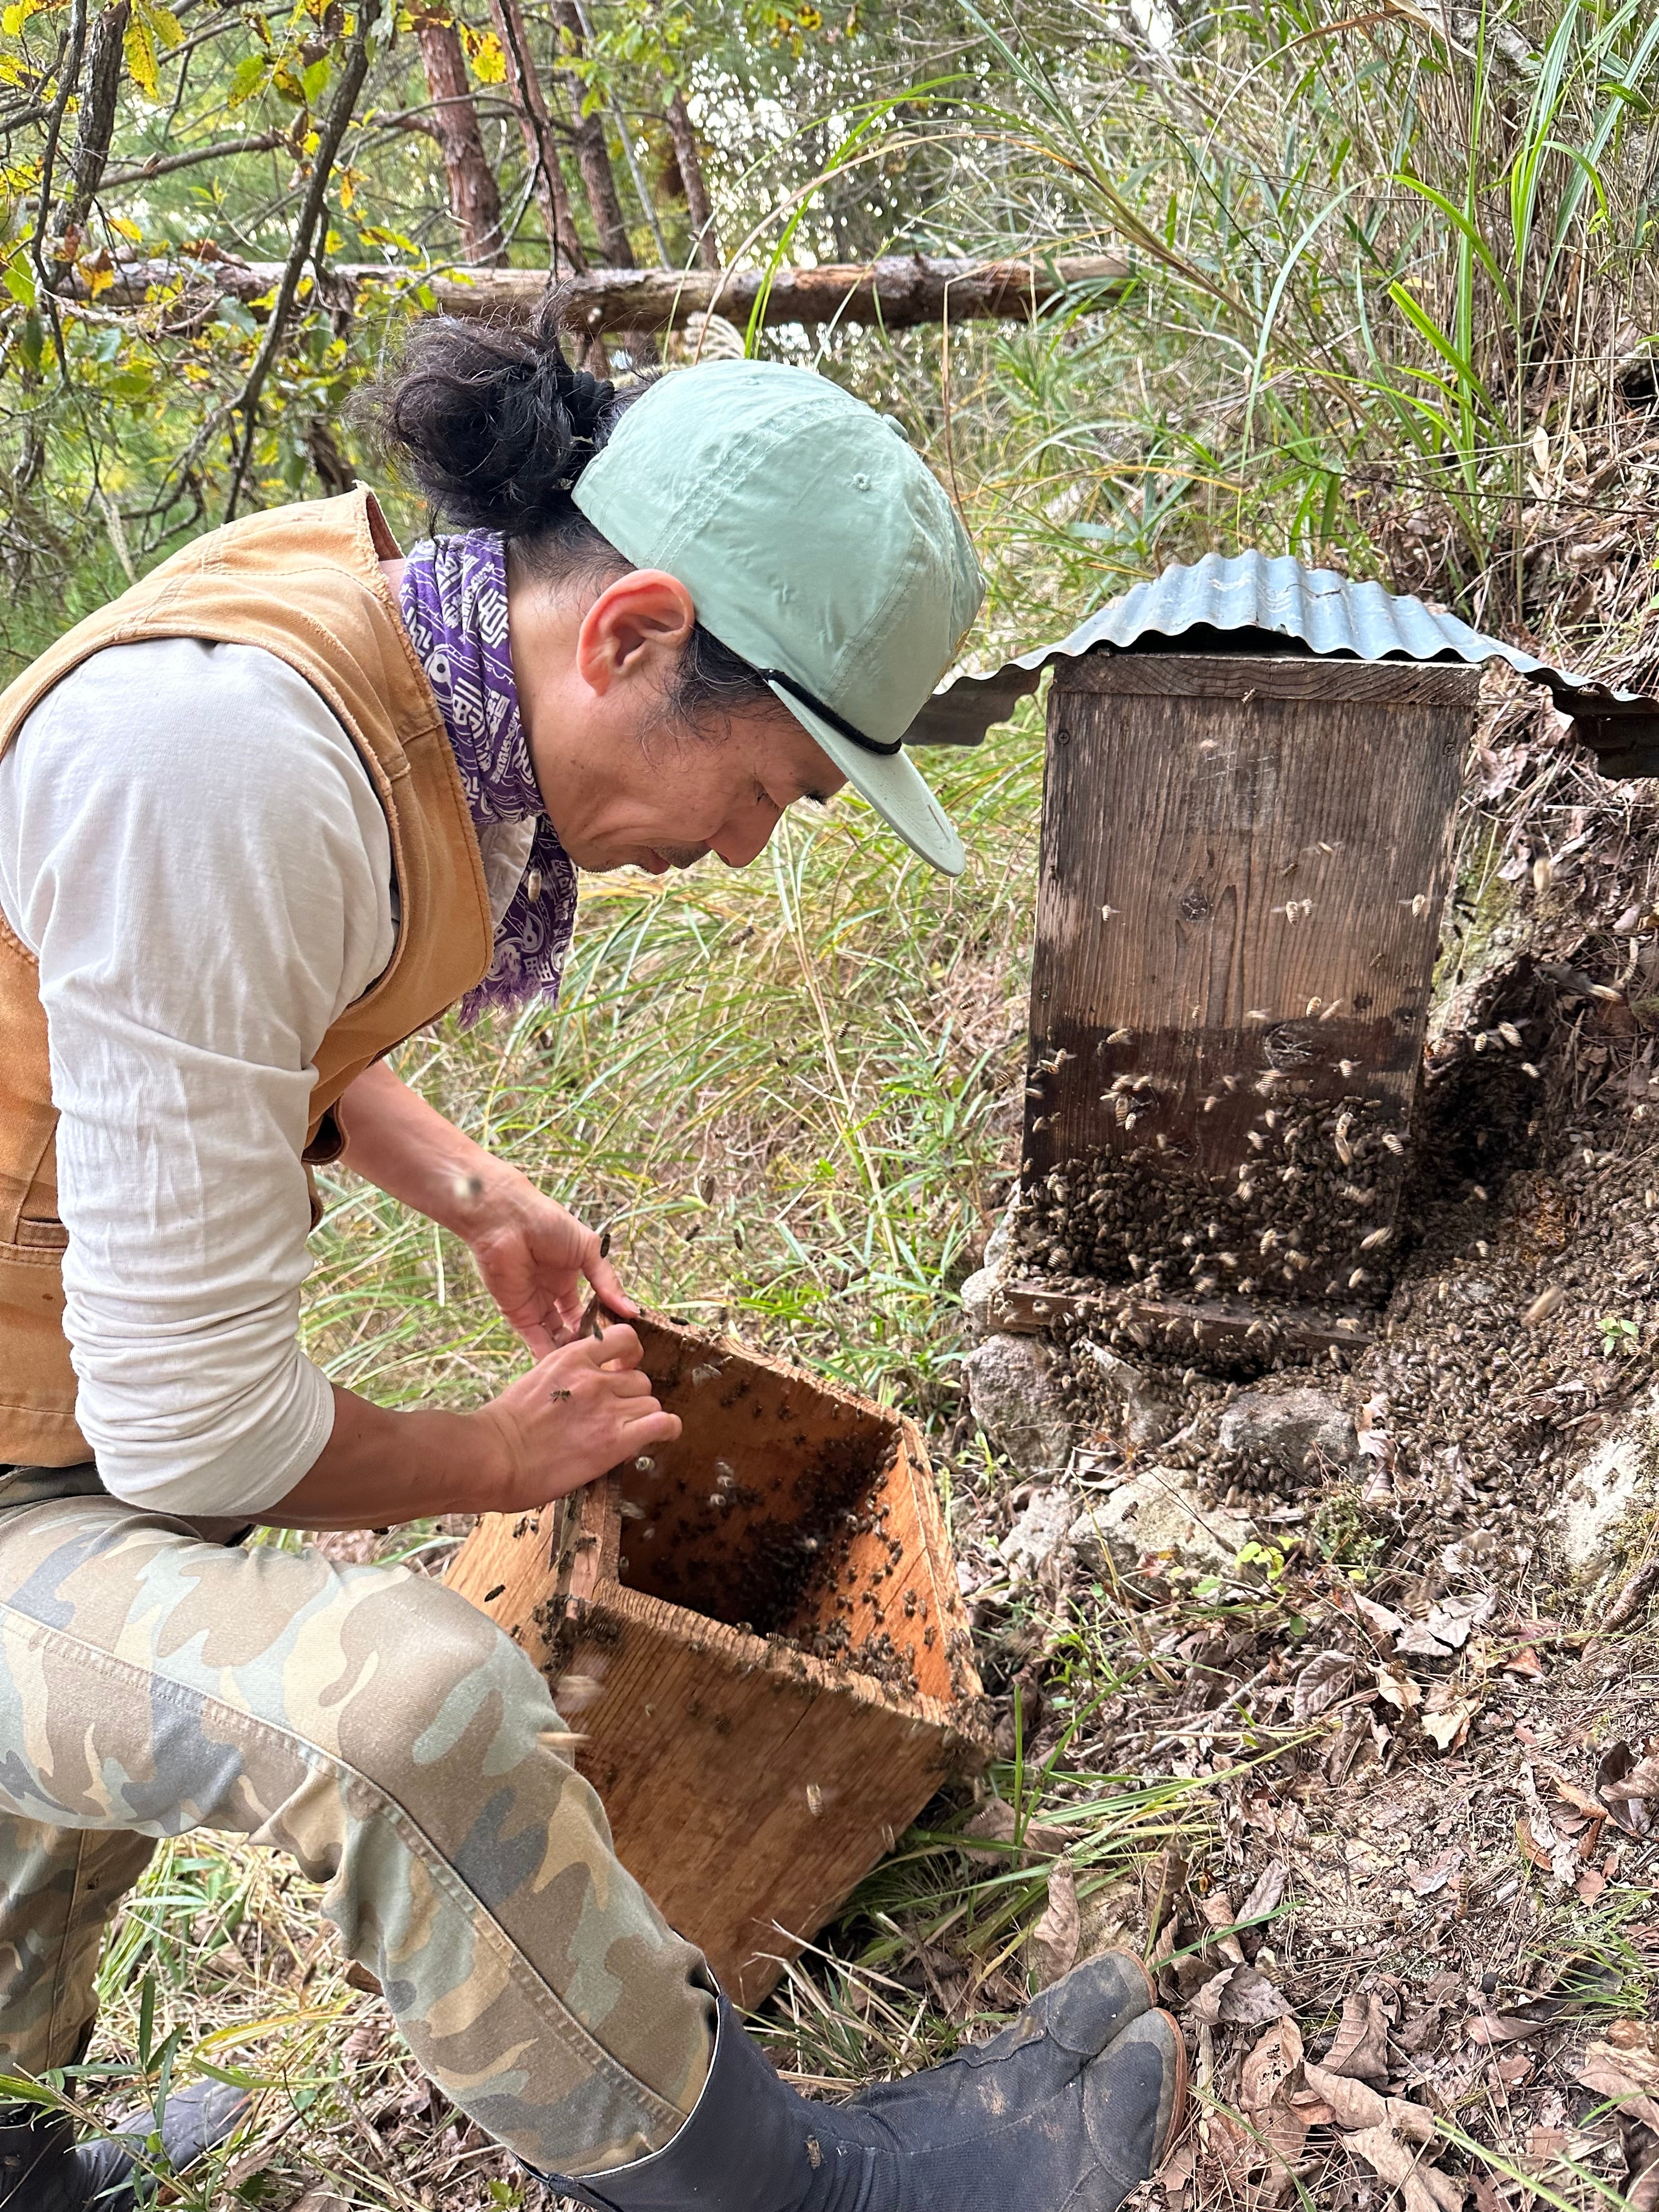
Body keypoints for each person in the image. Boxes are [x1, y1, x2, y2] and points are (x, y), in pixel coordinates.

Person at [0, 304, 1186, 2210]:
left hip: (35, 1403)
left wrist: (475, 1194)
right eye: (771, 792)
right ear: (629, 635)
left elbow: (211, 1028)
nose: (738, 854)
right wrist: (502, 1455)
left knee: (97, 1706)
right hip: (40, 1444)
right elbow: (198, 1442)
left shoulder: (379, 670)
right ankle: (799, 2199)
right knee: (408, 1709)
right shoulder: (225, 760)